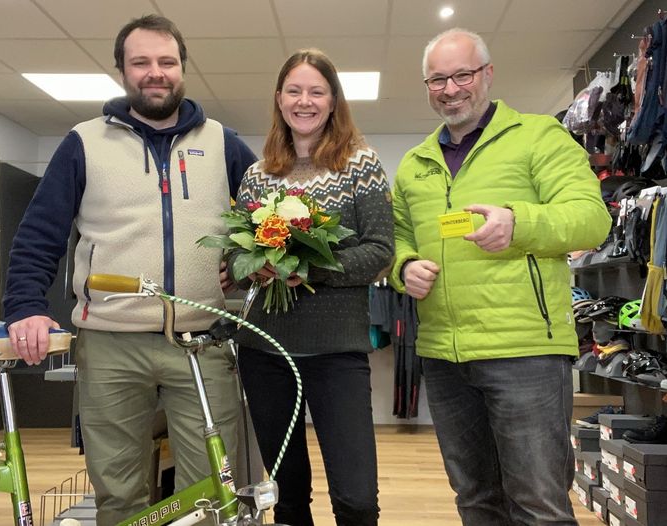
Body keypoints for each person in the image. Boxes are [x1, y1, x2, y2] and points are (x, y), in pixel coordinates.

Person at [2, 15, 256, 525]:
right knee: (118, 496)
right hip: (110, 345)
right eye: (141, 62)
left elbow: (266, 222)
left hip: (201, 343)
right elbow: (38, 234)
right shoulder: (83, 142)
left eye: (167, 61)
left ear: (183, 68)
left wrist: (241, 263)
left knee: (211, 494)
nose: (155, 72)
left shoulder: (223, 142)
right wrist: (25, 306)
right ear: (121, 70)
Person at [389, 28, 612, 525]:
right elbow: (399, 237)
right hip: (444, 356)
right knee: (475, 499)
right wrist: (404, 267)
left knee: (538, 505)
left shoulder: (538, 136)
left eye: (462, 75)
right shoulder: (415, 163)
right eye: (437, 79)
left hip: (525, 352)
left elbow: (592, 219)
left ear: (487, 74)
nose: (450, 89)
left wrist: (519, 223)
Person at [228, 49, 394, 526]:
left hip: (336, 352)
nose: (305, 101)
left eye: (316, 91)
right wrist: (251, 268)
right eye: (295, 91)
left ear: (333, 100)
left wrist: (310, 269)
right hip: (265, 351)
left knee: (356, 499)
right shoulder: (257, 175)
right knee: (287, 496)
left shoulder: (360, 164)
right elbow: (235, 259)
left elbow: (380, 251)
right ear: (279, 99)